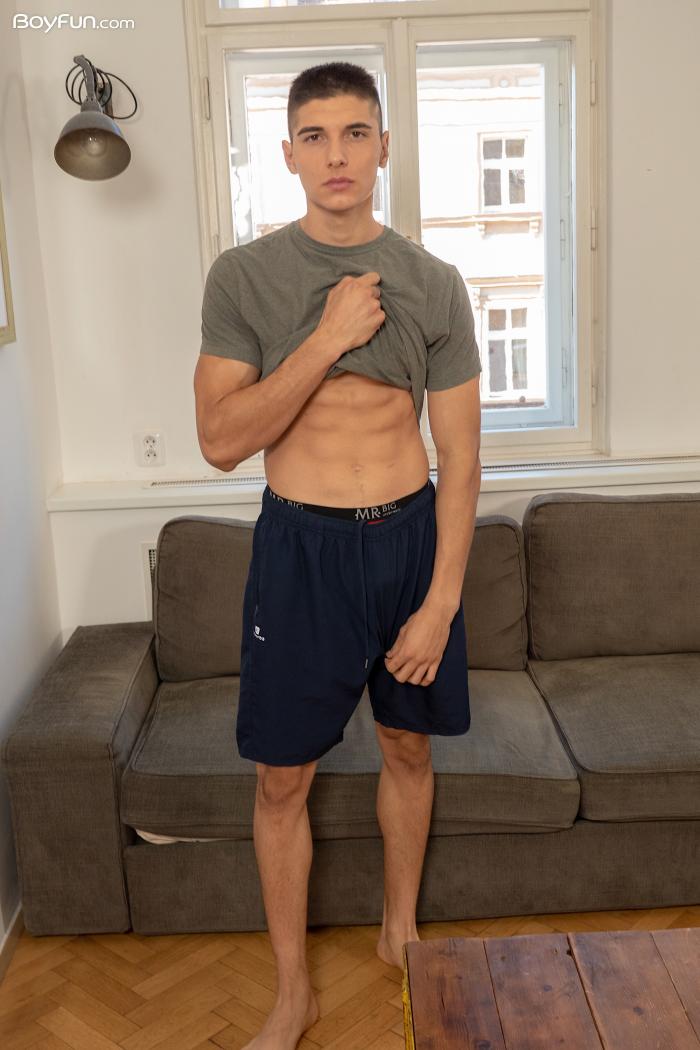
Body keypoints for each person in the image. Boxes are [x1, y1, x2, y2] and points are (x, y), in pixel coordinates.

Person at [194, 61, 482, 1050]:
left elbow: (462, 460)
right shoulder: (243, 278)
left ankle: (400, 931)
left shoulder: (433, 283)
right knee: (282, 780)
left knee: (408, 747)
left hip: (407, 540)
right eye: (314, 136)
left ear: (384, 147)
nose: (336, 155)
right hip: (301, 551)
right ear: (288, 155)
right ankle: (293, 993)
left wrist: (440, 603)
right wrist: (324, 339)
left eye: (356, 132)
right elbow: (221, 440)